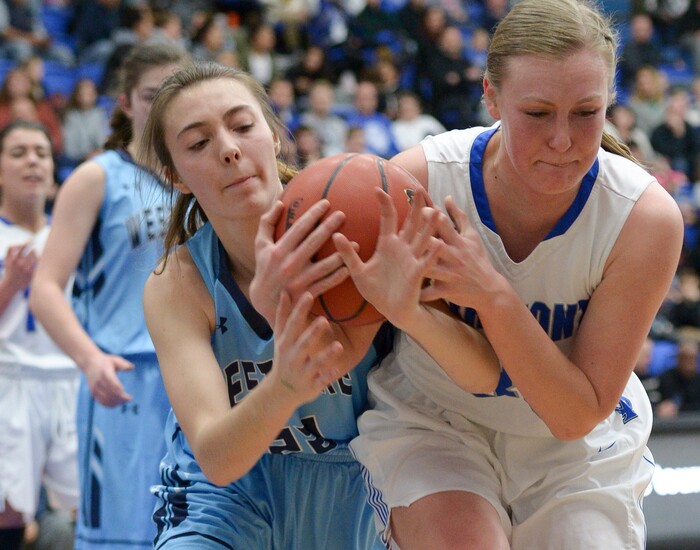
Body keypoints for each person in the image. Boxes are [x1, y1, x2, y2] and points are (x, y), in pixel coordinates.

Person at [340, 1, 684, 548]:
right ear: (491, 97)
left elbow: (574, 415)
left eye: (586, 112)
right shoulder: (419, 180)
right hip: (435, 418)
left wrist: (493, 296)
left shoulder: (642, 218)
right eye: (538, 113)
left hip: (574, 446)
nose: (563, 140)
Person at [137, 61, 500, 549]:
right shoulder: (178, 283)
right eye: (198, 144)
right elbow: (218, 460)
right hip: (225, 495)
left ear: (272, 134)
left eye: (242, 126)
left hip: (358, 476)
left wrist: (408, 310)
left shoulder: (359, 219)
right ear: (175, 176)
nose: (229, 149)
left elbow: (484, 375)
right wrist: (286, 383)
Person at [28, 42, 190, 549]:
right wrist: (90, 358)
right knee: (123, 539)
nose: (162, 107)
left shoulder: (200, 180)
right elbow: (45, 288)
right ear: (125, 102)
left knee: (196, 534)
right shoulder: (98, 177)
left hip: (197, 375)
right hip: (123, 380)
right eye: (149, 95)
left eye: (173, 94)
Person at [0, 120, 78, 550]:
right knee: (9, 512)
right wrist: (10, 284)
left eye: (41, 153)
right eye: (18, 152)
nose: (32, 160)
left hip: (70, 379)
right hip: (11, 381)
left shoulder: (71, 238)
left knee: (81, 512)